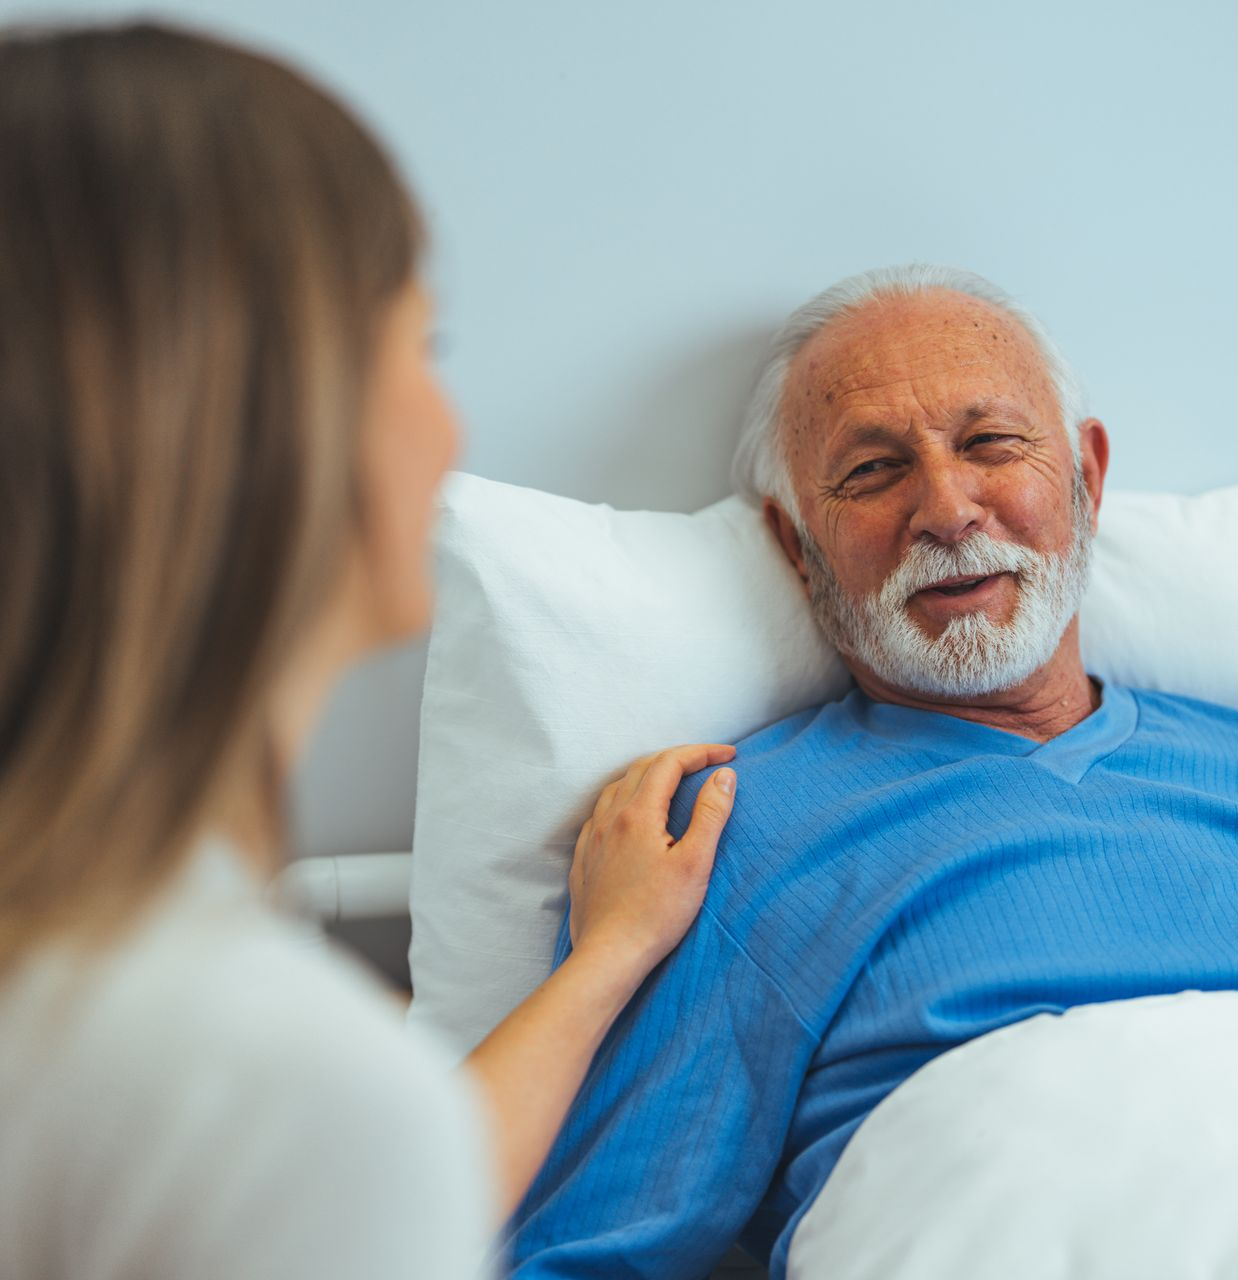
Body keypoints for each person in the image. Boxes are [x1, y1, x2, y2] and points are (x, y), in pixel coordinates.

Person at [0, 20, 738, 1279]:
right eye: (423, 344)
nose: (450, 421)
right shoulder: (280, 1090)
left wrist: (607, 950)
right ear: (279, 421)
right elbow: (325, 1147)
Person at [508, 264, 1238, 1277]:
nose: (948, 510)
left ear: (1087, 477)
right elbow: (589, 1253)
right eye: (870, 471)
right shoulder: (720, 838)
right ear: (795, 545)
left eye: (990, 443)